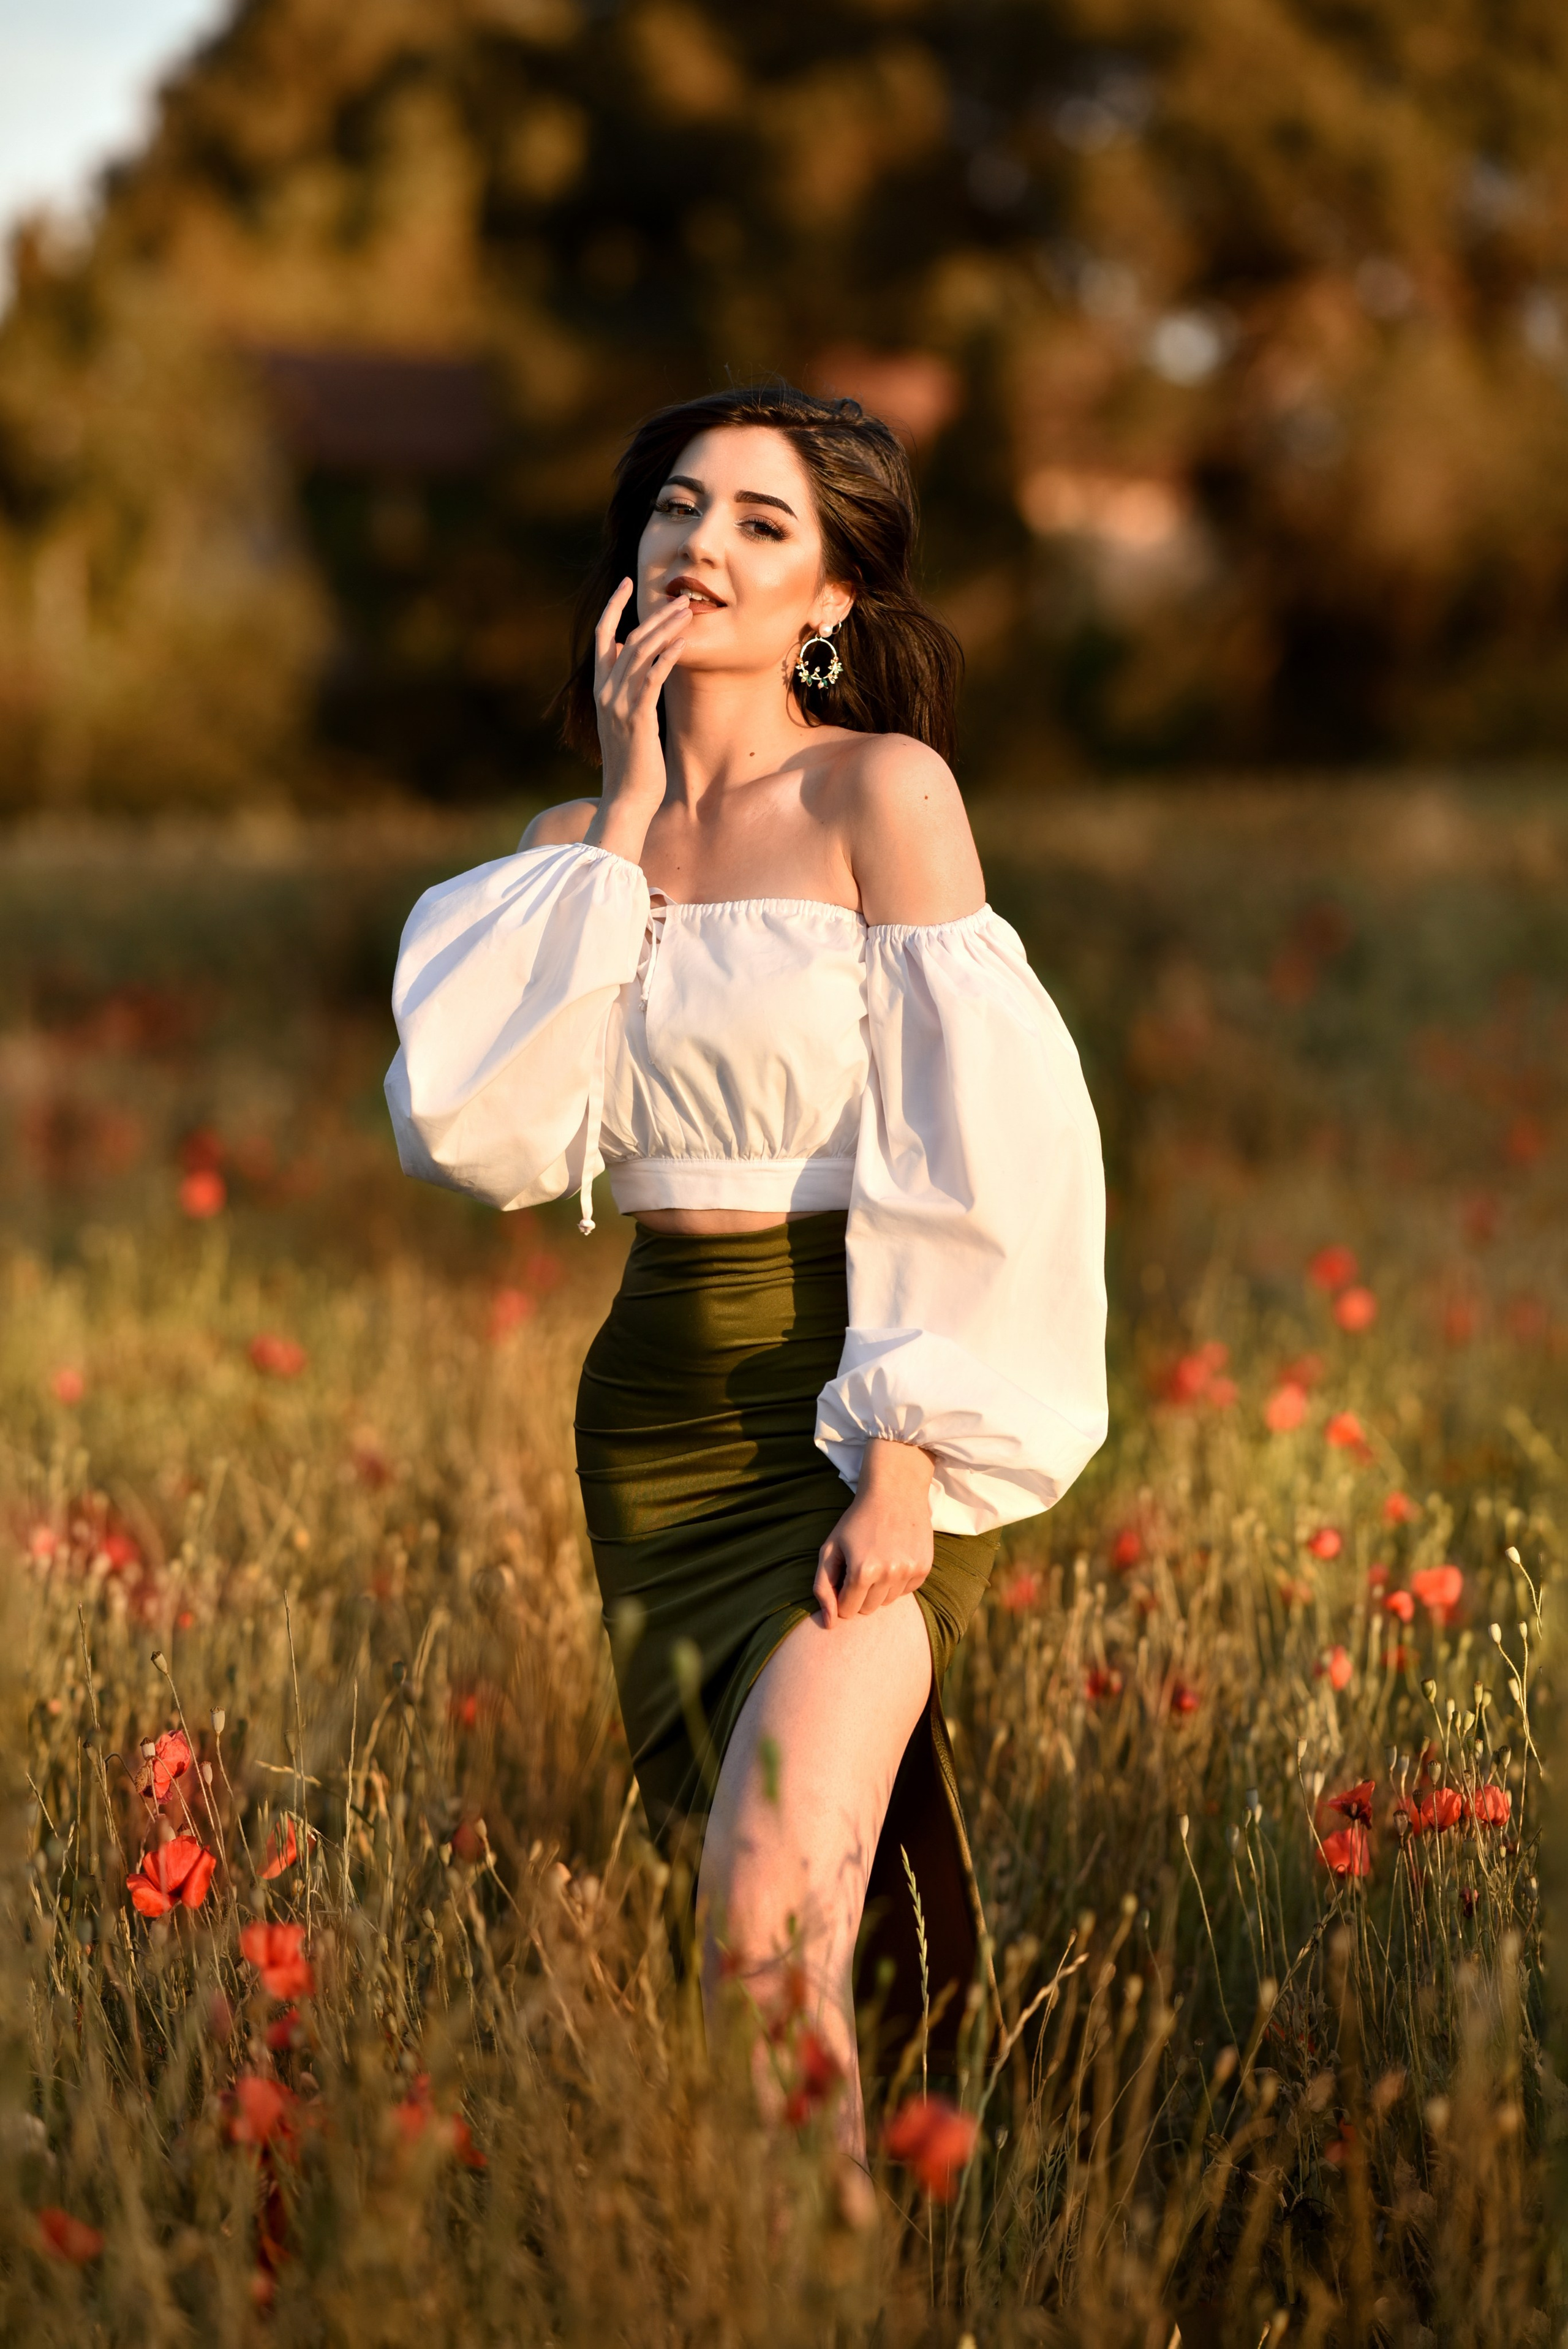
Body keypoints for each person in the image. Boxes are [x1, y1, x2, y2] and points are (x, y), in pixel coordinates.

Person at [385, 382, 1107, 2157]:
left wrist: (909, 1457)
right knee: (804, 1945)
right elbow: (483, 1132)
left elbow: (972, 1142)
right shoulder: (569, 852)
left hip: (835, 1393)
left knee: (767, 1938)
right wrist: (625, 815)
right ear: (631, 549)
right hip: (654, 1419)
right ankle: (870, 2251)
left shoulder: (885, 795)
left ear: (833, 600)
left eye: (762, 522)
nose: (704, 543)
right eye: (677, 507)